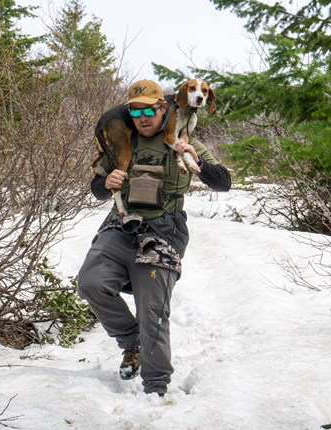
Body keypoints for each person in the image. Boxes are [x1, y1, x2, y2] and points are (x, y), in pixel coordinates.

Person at [77, 79, 231, 396]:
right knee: (90, 283)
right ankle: (130, 340)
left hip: (163, 231)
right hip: (121, 226)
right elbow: (95, 189)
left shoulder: (182, 141)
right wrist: (106, 184)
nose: (143, 117)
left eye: (150, 109)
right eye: (136, 111)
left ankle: (156, 384)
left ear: (164, 108)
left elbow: (223, 182)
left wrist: (197, 162)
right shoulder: (122, 142)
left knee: (153, 310)